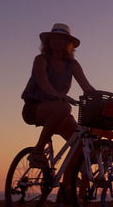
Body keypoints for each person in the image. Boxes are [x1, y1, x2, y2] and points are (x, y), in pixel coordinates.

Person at [21, 23, 95, 178]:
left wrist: (101, 99)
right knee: (64, 108)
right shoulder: (41, 59)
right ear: (47, 42)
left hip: (59, 110)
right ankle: (37, 152)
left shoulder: (72, 65)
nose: (56, 41)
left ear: (67, 44)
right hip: (34, 107)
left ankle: (67, 188)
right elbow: (42, 81)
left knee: (80, 142)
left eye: (60, 38)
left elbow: (87, 87)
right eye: (53, 38)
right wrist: (56, 94)